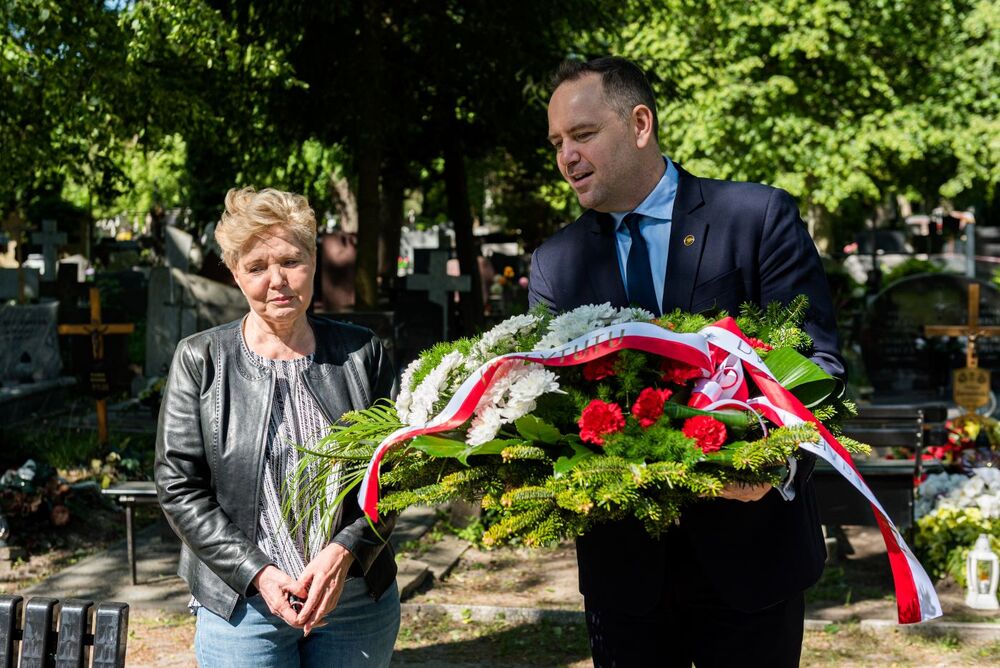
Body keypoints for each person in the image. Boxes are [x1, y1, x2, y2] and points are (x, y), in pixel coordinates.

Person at [529, 57, 846, 667]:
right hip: (626, 579)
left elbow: (816, 363)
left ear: (640, 123)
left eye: (583, 135)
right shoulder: (555, 262)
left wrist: (770, 462)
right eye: (557, 142)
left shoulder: (756, 218)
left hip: (752, 563)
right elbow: (550, 401)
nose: (566, 157)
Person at [155, 187, 399, 667]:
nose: (278, 281)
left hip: (352, 597)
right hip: (242, 601)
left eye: (291, 260)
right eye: (257, 267)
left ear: (313, 258)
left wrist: (345, 551)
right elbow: (178, 485)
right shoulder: (201, 359)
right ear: (234, 273)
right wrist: (259, 572)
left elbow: (394, 471)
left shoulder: (362, 354)